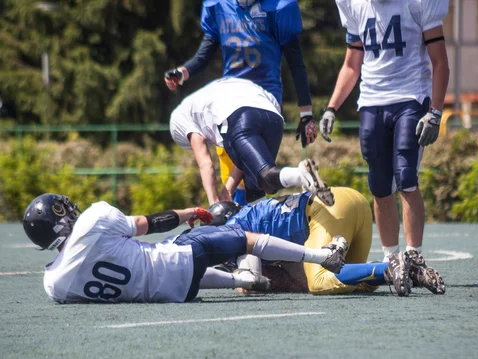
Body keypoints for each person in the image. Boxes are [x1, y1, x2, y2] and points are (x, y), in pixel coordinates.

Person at [319, 0, 450, 295]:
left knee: (405, 178)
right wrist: (331, 106)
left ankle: (414, 257)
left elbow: (439, 60)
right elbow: (353, 62)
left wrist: (436, 111)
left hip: (410, 98)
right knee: (379, 184)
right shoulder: (353, 4)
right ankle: (392, 259)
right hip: (371, 102)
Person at [23, 193, 347, 304]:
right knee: (244, 237)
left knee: (174, 271)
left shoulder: (54, 285)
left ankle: (242, 280)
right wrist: (190, 214)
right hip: (177, 258)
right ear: (60, 220)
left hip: (167, 293)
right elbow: (148, 223)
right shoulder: (91, 221)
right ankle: (323, 256)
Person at [164, 0, 318, 203]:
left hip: (264, 99)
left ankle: (240, 223)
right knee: (253, 185)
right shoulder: (220, 6)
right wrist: (182, 73)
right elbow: (205, 53)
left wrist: (306, 113)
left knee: (255, 185)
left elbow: (296, 63)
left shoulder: (277, 8)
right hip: (229, 103)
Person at [208, 187, 445, 296]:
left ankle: (389, 265)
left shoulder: (234, 229)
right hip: (352, 201)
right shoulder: (251, 216)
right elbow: (297, 279)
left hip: (324, 211)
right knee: (354, 283)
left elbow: (249, 285)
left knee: (319, 283)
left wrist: (234, 273)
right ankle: (410, 271)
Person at [170, 77, 334, 206]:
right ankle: (305, 191)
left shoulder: (181, 119)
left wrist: (214, 205)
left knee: (265, 176)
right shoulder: (209, 95)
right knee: (261, 187)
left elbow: (206, 164)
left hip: (240, 117)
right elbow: (242, 159)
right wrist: (227, 192)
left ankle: (301, 175)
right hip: (273, 116)